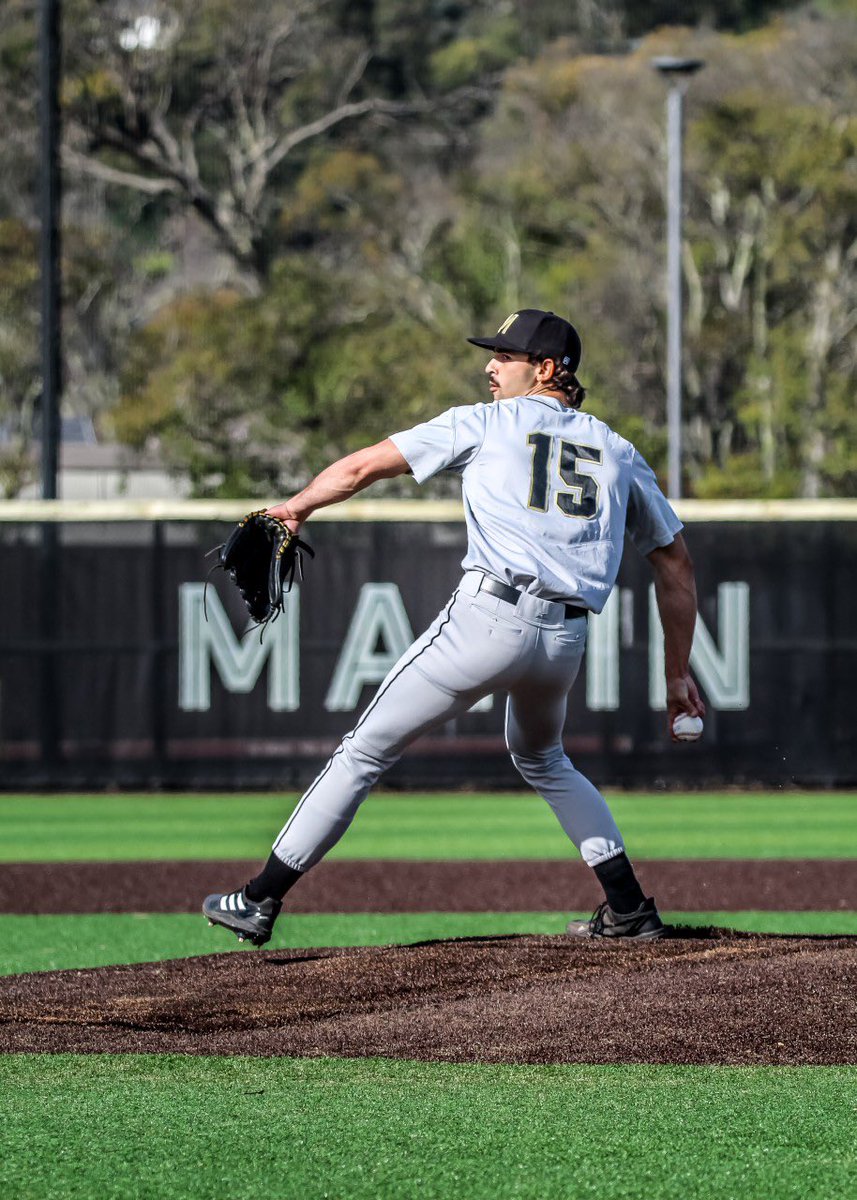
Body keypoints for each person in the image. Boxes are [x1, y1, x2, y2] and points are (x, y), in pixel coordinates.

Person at [204, 308, 704, 945]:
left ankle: (259, 898)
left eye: (506, 356)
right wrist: (676, 672)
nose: (490, 367)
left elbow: (363, 467)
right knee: (545, 759)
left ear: (547, 369)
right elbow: (676, 566)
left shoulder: (484, 423)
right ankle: (630, 907)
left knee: (363, 752)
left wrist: (297, 506)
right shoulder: (620, 452)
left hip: (487, 621)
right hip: (563, 641)